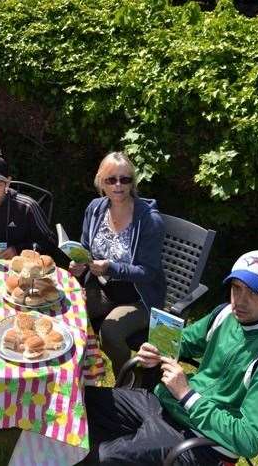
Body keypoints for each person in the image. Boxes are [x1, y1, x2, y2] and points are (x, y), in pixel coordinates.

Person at [83, 250, 258, 465]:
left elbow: (248, 439)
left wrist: (187, 396)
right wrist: (155, 349)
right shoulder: (226, 314)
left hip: (201, 441)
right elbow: (184, 341)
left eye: (254, 292)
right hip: (167, 404)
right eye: (236, 288)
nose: (240, 301)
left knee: (104, 457)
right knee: (82, 401)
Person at [69, 151, 165, 376]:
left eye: (125, 179)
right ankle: (78, 375)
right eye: (111, 180)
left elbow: (149, 272)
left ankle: (128, 380)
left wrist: (110, 267)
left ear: (133, 182)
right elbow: (85, 247)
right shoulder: (95, 208)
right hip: (103, 289)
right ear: (101, 182)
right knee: (68, 313)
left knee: (110, 333)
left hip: (138, 298)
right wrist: (80, 263)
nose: (118, 185)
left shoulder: (150, 221)